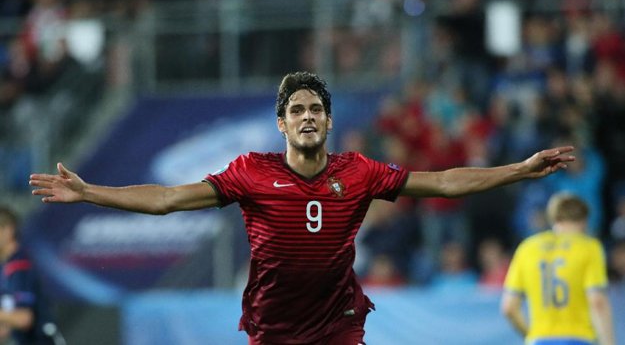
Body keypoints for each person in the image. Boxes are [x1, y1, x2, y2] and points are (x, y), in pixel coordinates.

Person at [29, 71, 575, 345]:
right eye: (297, 110)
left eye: (317, 108)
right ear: (282, 124)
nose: (308, 116)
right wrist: (91, 192)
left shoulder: (359, 172)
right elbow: (171, 198)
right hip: (274, 327)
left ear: (329, 121)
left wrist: (520, 169)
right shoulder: (252, 172)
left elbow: (444, 183)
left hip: (337, 322)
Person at [501, 193, 615, 345]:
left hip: (539, 339)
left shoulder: (527, 248)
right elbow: (597, 301)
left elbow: (509, 307)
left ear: (553, 218)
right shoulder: (589, 248)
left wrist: (531, 336)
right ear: (585, 221)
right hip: (579, 338)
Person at [0, 206, 59, 345]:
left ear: (8, 230)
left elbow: (24, 319)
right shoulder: (6, 266)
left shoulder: (20, 265)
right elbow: (9, 321)